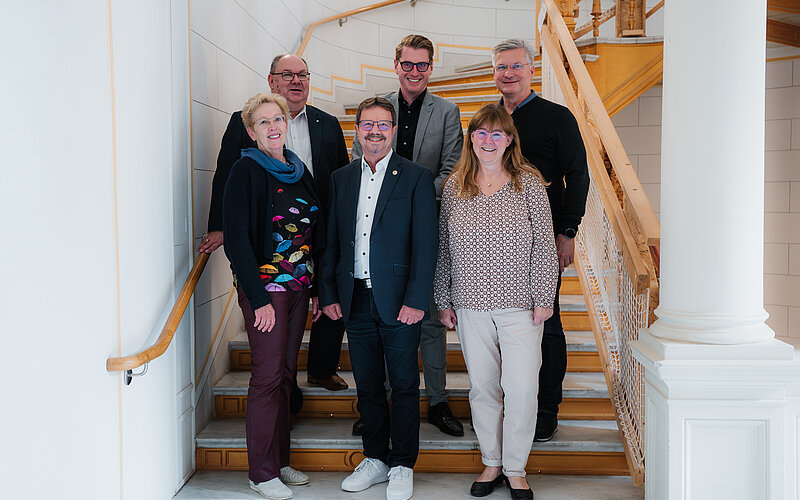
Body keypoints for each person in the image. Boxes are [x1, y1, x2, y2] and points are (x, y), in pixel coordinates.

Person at [201, 54, 351, 402]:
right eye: (287, 75)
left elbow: (340, 176)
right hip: (268, 242)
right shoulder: (247, 122)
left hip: (314, 230)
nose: (296, 81)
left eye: (302, 75)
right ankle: (288, 391)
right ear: (272, 82)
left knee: (325, 296)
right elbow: (226, 172)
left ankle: (321, 368)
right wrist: (219, 226)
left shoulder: (327, 123)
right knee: (276, 349)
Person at [434, 104, 558, 499]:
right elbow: (444, 248)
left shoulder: (529, 183)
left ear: (509, 141)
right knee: (483, 388)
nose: (488, 140)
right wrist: (443, 298)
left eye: (497, 134)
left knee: (521, 388)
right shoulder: (456, 186)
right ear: (471, 138)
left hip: (521, 305)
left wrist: (544, 296)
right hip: (469, 304)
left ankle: (516, 469)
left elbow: (544, 246)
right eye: (481, 133)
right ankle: (492, 462)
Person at [319, 96, 437, 500]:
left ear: (392, 129)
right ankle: (375, 458)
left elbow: (426, 244)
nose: (374, 132)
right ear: (357, 130)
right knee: (367, 385)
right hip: (354, 297)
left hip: (400, 299)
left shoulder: (416, 177)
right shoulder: (342, 178)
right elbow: (332, 241)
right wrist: (329, 291)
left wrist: (418, 298)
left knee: (403, 384)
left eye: (382, 125)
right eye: (367, 125)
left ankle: (402, 463)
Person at [351, 34, 464, 437]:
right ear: (395, 65)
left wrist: (409, 197)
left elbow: (451, 167)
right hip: (378, 233)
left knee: (430, 321)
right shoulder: (376, 110)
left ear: (431, 68)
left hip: (428, 225)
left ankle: (436, 400)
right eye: (407, 64)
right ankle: (376, 402)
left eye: (422, 65)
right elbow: (359, 160)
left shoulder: (448, 112)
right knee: (382, 314)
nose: (414, 71)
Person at [222, 92, 323, 500]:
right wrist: (258, 297)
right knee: (266, 377)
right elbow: (237, 242)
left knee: (284, 376)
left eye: (277, 118)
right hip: (268, 290)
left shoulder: (297, 170)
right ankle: (260, 473)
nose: (273, 126)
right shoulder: (245, 170)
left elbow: (310, 234)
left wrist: (314, 287)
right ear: (251, 131)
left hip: (300, 287)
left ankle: (278, 461)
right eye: (263, 122)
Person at [492, 38, 589, 442]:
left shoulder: (557, 117)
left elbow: (578, 176)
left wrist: (567, 231)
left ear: (531, 70)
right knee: (501, 328)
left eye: (516, 66)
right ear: (493, 73)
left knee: (545, 324)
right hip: (493, 243)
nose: (508, 74)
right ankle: (510, 404)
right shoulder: (489, 121)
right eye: (501, 67)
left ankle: (546, 407)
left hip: (542, 243)